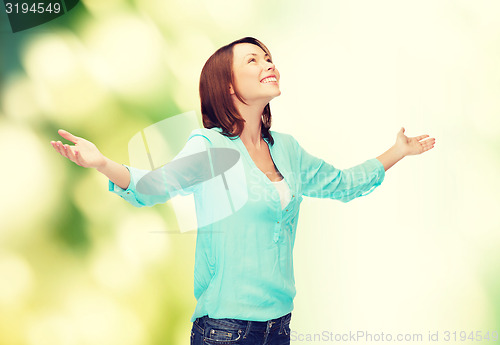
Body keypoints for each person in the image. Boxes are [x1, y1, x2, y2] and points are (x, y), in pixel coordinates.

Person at [50, 37, 436, 345]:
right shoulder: (209, 147)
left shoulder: (287, 149)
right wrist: (101, 162)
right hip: (225, 331)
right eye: (253, 60)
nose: (269, 63)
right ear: (228, 85)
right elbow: (151, 188)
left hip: (280, 327)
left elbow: (343, 184)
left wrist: (398, 152)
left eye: (268, 57)